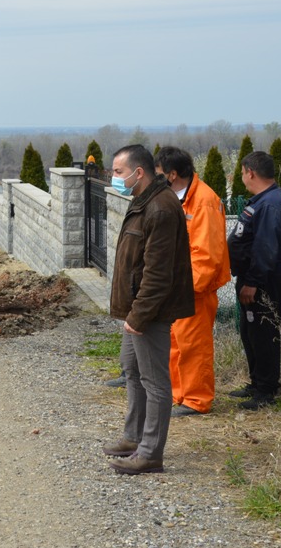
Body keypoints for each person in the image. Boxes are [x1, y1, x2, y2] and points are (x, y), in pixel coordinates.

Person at [102, 145, 195, 475]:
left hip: (149, 311)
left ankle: (150, 452)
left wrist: (139, 316)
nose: (113, 178)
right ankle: (134, 436)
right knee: (131, 369)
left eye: (117, 171)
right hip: (136, 308)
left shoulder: (160, 208)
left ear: (137, 172)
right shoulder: (145, 200)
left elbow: (158, 273)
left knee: (154, 381)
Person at [155, 147, 231, 417]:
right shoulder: (181, 198)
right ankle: (180, 394)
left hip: (194, 291)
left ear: (173, 174)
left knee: (194, 346)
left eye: (160, 173)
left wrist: (188, 289)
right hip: (180, 289)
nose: (157, 177)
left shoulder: (204, 201)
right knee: (177, 344)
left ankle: (197, 400)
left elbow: (206, 256)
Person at [226, 151, 281, 410]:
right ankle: (257, 383)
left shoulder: (270, 204)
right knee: (250, 330)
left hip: (262, 280)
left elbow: (265, 248)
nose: (242, 178)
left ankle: (266, 391)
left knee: (264, 332)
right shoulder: (265, 199)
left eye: (242, 173)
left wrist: (252, 282)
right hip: (253, 276)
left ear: (249, 172)